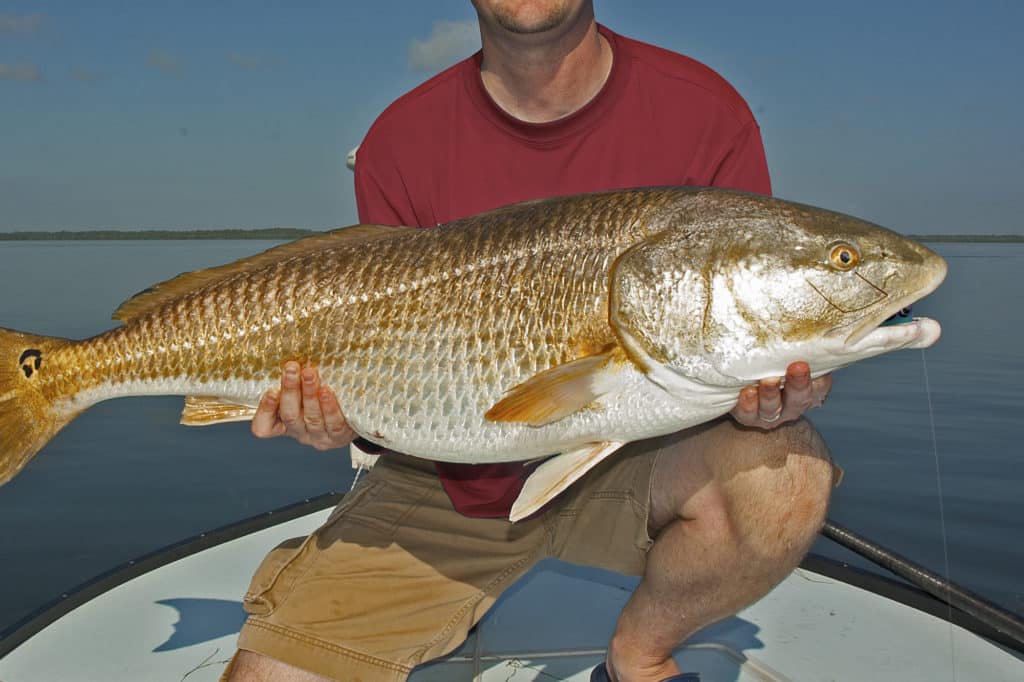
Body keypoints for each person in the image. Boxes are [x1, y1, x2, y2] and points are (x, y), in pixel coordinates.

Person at [225, 2, 834, 680]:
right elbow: (385, 362)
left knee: (790, 471)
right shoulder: (400, 138)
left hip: (646, 457)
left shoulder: (705, 112)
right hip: (450, 479)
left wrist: (776, 385)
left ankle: (639, 653)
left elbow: (746, 321)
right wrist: (339, 417)